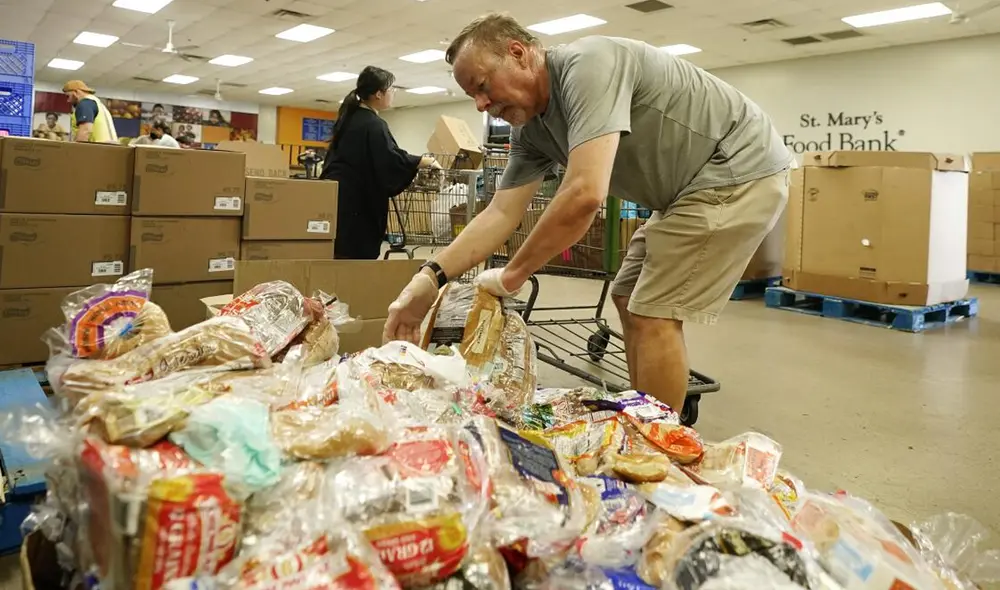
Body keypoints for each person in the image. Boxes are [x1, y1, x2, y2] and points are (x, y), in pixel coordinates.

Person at [383, 13, 793, 413]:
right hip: (684, 194)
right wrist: (429, 277)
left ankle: (658, 444)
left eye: (482, 85)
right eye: (473, 95)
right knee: (627, 296)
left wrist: (512, 275)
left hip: (735, 170)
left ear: (518, 53)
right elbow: (501, 212)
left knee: (653, 311)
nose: (480, 104)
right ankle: (643, 416)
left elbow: (584, 194)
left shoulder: (587, 66)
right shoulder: (532, 132)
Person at [320, 65, 441, 260]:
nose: (394, 94)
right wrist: (421, 161)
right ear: (378, 94)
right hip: (359, 205)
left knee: (339, 254)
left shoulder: (348, 119)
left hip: (338, 199)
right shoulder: (373, 124)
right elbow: (388, 159)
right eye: (392, 89)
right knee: (357, 257)